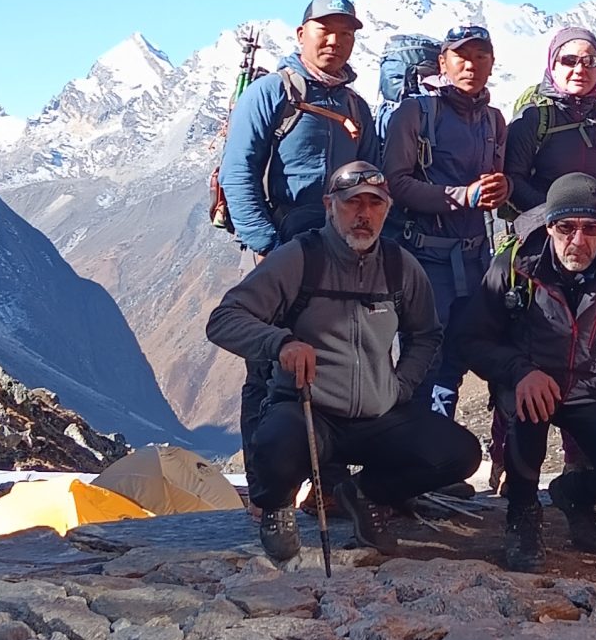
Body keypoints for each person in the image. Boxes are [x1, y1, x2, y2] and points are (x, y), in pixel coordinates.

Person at [205, 162, 482, 563]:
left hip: (378, 415)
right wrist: (280, 343)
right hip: (310, 410)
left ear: (387, 209)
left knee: (459, 453)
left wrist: (400, 387)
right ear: (330, 206)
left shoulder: (400, 266)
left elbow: (426, 334)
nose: (363, 214)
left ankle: (364, 494)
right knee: (275, 443)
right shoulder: (299, 259)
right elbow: (225, 319)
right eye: (353, 203)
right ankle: (277, 507)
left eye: (375, 203)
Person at [450, 173, 596, 572]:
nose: (577, 241)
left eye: (590, 228)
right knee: (529, 408)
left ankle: (573, 493)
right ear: (549, 228)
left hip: (593, 389)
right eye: (566, 228)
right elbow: (469, 337)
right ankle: (523, 512)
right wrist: (518, 370)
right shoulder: (515, 265)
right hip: (530, 383)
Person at [216, 0, 381, 435]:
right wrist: (267, 246)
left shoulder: (355, 107)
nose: (336, 41)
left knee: (334, 359)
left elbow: (371, 182)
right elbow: (238, 172)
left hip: (342, 252)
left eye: (346, 33)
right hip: (285, 242)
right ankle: (266, 483)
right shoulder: (271, 93)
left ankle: (322, 474)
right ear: (301, 34)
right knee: (269, 362)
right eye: (325, 30)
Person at [380, 24, 511, 416]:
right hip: (425, 261)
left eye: (480, 57)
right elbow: (395, 184)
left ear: (491, 64)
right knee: (424, 358)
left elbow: (497, 183)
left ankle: (437, 456)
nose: (471, 65)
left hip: (474, 260)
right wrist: (463, 196)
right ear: (443, 63)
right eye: (462, 56)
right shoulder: (415, 113)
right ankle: (415, 456)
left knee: (458, 357)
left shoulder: (495, 120)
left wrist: (501, 190)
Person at [505, 27, 596, 213]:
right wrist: (554, 215)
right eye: (569, 61)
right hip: (543, 230)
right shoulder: (533, 118)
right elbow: (512, 180)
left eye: (590, 61)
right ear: (553, 66)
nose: (580, 70)